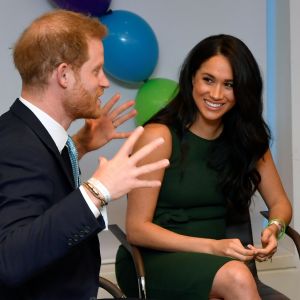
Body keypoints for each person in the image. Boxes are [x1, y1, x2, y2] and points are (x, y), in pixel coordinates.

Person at [0, 10, 169, 300]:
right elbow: (10, 260)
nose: (104, 81)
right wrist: (98, 190)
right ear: (64, 75)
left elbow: (43, 186)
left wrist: (80, 145)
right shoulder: (17, 147)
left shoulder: (26, 133)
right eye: (96, 70)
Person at [115, 34, 293, 300]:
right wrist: (212, 247)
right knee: (237, 277)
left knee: (234, 276)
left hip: (217, 262)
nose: (216, 94)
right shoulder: (159, 136)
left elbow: (280, 203)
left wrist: (274, 228)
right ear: (191, 79)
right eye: (208, 80)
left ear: (243, 89)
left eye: (229, 84)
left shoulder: (248, 139)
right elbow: (137, 229)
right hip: (152, 261)